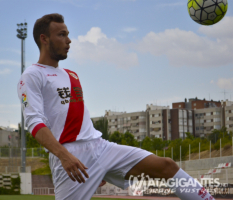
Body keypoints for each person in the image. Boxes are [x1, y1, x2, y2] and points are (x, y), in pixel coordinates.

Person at [17, 13, 215, 200]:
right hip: (70, 156)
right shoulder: (32, 75)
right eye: (62, 35)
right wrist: (65, 156)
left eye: (68, 34)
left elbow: (80, 120)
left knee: (167, 166)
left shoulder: (72, 75)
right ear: (44, 39)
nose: (69, 40)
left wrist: (101, 166)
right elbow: (34, 123)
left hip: (101, 148)